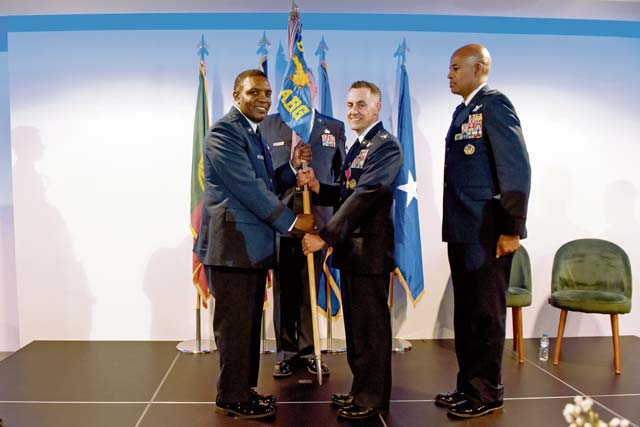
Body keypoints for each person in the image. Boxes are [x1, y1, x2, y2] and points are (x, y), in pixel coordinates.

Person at [194, 69, 315, 420]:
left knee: (247, 326)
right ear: (237, 95)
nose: (264, 99)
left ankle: (242, 390)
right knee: (235, 328)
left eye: (267, 93)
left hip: (250, 250)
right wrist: (292, 222)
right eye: (254, 92)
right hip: (232, 250)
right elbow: (248, 188)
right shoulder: (224, 132)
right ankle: (231, 396)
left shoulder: (252, 132)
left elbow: (266, 183)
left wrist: (291, 169)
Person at [436, 44, 531, 418]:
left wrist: (512, 229)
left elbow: (515, 170)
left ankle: (487, 392)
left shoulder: (494, 105)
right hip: (463, 230)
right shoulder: (463, 111)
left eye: (455, 67)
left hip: (489, 232)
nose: (449, 74)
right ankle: (468, 385)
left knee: (486, 315)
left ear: (479, 68)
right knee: (466, 314)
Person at [299, 81, 402, 420]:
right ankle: (360, 391)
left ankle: (373, 398)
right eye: (350, 105)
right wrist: (319, 187)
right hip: (354, 252)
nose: (353, 111)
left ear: (377, 108)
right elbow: (347, 193)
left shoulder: (385, 146)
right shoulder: (359, 145)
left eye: (361, 104)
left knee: (371, 330)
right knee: (357, 330)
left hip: (369, 252)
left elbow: (366, 195)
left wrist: (325, 237)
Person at [260, 72, 346, 379]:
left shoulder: (332, 127)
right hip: (281, 220)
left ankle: (311, 351)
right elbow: (264, 177)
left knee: (311, 286)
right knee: (284, 290)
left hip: (317, 221)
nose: (300, 90)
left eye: (305, 85)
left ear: (315, 89)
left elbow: (341, 177)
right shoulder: (268, 125)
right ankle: (287, 352)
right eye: (294, 85)